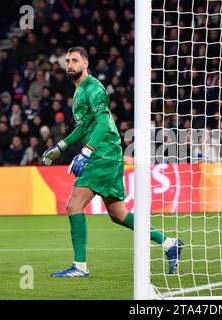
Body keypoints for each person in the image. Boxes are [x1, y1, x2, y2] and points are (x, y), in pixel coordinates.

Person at [42, 47, 183, 277]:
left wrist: (87, 152)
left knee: (73, 205)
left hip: (104, 154)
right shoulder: (78, 92)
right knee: (119, 214)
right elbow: (83, 127)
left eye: (75, 60)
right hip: (105, 154)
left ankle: (80, 266)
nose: (70, 64)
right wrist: (61, 147)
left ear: (85, 63)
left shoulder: (94, 89)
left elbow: (102, 122)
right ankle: (169, 244)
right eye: (67, 61)